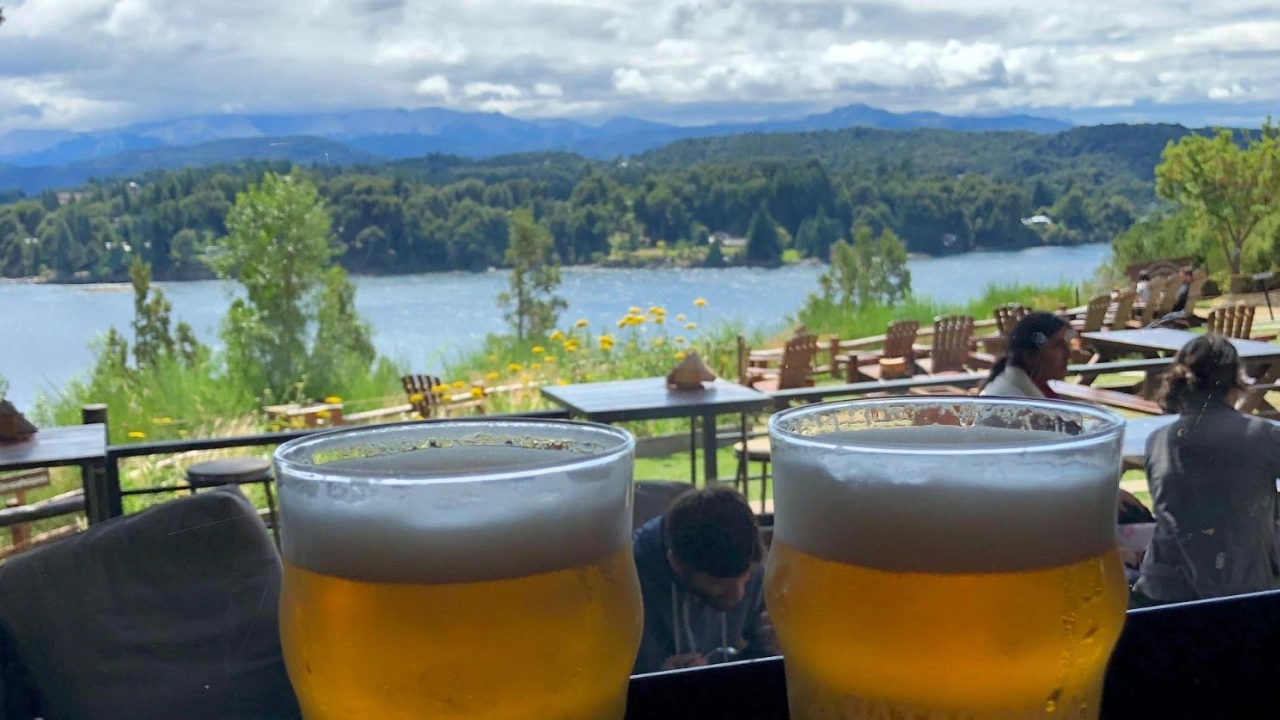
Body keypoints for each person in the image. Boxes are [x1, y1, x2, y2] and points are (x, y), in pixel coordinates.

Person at [1133, 334, 1280, 605]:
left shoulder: (1158, 442)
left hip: (1166, 588)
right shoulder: (1263, 436)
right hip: (1246, 588)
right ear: (1236, 381)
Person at [631, 485, 779, 675]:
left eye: (746, 576)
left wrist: (774, 648)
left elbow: (758, 649)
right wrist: (656, 676)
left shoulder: (746, 554)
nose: (738, 594)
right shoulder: (633, 578)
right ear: (676, 564)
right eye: (717, 582)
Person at [978, 312, 1072, 399]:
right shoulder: (1014, 403)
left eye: (1067, 346)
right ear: (1029, 355)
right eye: (1058, 346)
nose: (1068, 354)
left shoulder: (1021, 390)